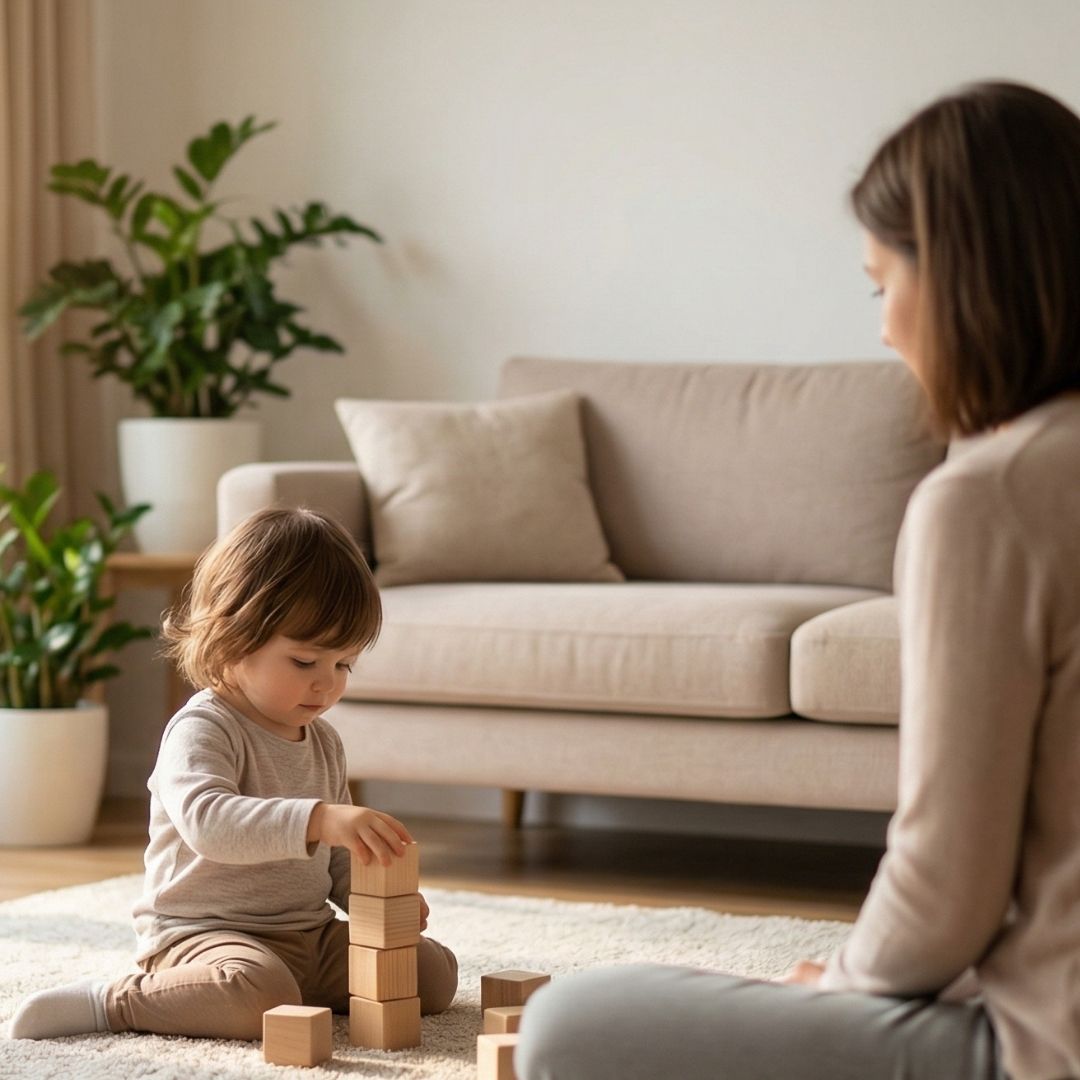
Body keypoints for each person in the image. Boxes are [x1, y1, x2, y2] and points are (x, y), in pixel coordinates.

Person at [516, 80, 1080, 1080]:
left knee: (573, 1018)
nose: (883, 330)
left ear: (958, 276)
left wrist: (846, 983)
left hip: (1043, 1047)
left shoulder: (991, 497)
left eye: (880, 283)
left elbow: (949, 889)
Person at [9, 507, 458, 1041]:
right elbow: (211, 824)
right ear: (235, 638)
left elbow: (336, 860)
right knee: (259, 995)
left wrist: (378, 905)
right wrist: (318, 819)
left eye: (344, 666)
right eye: (304, 662)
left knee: (431, 972)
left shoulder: (324, 742)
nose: (327, 687)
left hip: (305, 935)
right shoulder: (202, 729)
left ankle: (284, 993)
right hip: (203, 935)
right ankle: (115, 1002)